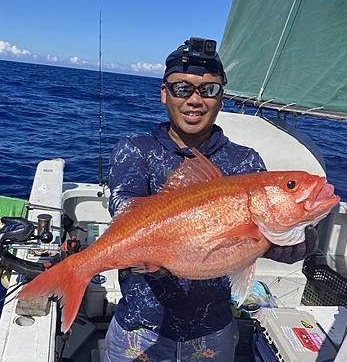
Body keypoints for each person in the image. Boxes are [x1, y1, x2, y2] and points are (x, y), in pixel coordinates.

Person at [104, 38, 318, 361]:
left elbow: (272, 243)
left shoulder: (245, 163)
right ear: (164, 93)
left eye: (209, 90)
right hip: (139, 330)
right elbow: (124, 206)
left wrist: (299, 239)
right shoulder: (135, 149)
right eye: (181, 88)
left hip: (212, 339)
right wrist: (155, 249)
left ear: (221, 98)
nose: (194, 100)